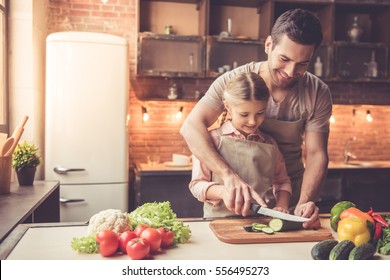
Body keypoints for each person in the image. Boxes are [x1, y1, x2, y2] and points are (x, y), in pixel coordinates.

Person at [181, 9, 332, 228]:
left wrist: (305, 201)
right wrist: (228, 177)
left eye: (302, 64)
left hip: (288, 198)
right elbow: (191, 127)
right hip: (228, 205)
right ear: (269, 45)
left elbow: (317, 154)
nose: (291, 71)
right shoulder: (235, 81)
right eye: (284, 59)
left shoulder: (318, 92)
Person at [189, 72, 293, 218]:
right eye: (244, 114)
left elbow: (282, 182)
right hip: (217, 224)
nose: (252, 121)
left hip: (259, 225)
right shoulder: (212, 141)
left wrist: (282, 205)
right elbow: (196, 185)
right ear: (228, 107)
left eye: (260, 113)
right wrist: (223, 192)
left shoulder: (269, 145)